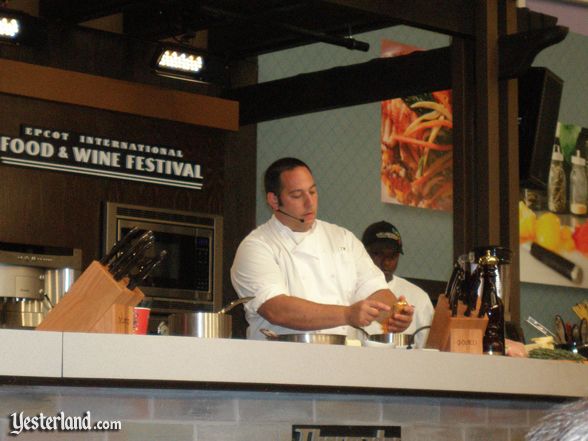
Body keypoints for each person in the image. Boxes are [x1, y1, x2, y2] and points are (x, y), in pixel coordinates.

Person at [231, 157, 414, 340]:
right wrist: (346, 314)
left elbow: (375, 290)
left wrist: (394, 313)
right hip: (280, 361)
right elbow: (277, 309)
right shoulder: (257, 246)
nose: (309, 202)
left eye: (312, 192)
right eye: (297, 195)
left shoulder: (342, 239)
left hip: (341, 358)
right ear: (274, 200)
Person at [361, 221, 434, 348]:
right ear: (362, 253)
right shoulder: (348, 288)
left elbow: (429, 349)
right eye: (378, 254)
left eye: (392, 256)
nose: (386, 262)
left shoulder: (419, 297)